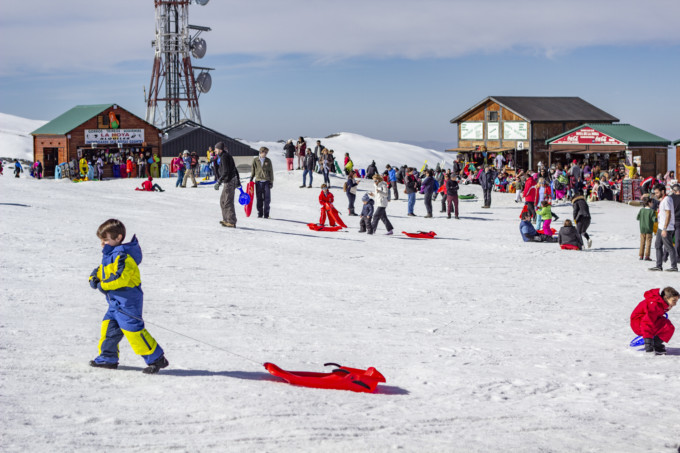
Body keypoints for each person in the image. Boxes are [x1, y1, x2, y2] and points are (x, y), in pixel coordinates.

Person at [88, 219, 169, 374]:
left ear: (118, 238)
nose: (102, 244)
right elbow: (101, 270)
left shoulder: (124, 257)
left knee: (133, 332)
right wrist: (94, 278)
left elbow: (121, 278)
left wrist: (103, 285)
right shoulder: (110, 255)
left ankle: (156, 358)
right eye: (101, 240)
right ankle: (107, 358)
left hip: (128, 303)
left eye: (106, 240)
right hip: (114, 303)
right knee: (108, 331)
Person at [630, 287, 678, 355]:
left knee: (667, 324)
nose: (675, 303)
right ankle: (654, 344)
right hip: (639, 325)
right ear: (665, 297)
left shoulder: (659, 303)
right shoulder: (654, 305)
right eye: (674, 300)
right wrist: (648, 344)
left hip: (643, 323)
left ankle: (655, 342)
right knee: (667, 327)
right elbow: (647, 323)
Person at [649, 183, 677, 271]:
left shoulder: (667, 200)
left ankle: (674, 266)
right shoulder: (663, 200)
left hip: (666, 228)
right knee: (657, 245)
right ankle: (658, 265)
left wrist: (665, 228)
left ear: (663, 191)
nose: (656, 195)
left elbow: (668, 214)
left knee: (669, 247)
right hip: (661, 227)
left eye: (657, 193)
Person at [214, 142, 241, 228]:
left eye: (216, 149)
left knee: (227, 202)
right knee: (222, 201)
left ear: (220, 150)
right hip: (228, 181)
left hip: (229, 182)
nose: (215, 150)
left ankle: (231, 221)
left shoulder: (224, 157)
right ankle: (226, 219)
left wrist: (219, 181)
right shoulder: (223, 156)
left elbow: (226, 171)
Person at [250, 147, 274, 219]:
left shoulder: (268, 160)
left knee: (267, 199)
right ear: (261, 152)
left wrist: (271, 181)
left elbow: (271, 172)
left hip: (266, 182)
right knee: (259, 198)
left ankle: (266, 214)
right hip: (258, 182)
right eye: (265, 152)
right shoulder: (255, 160)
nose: (265, 154)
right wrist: (251, 178)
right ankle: (260, 213)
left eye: (266, 153)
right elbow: (253, 170)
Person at [671, 184, 680, 261]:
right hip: (678, 221)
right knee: (677, 240)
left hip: (671, 220)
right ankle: (677, 257)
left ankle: (664, 256)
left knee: (669, 239)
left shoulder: (670, 198)